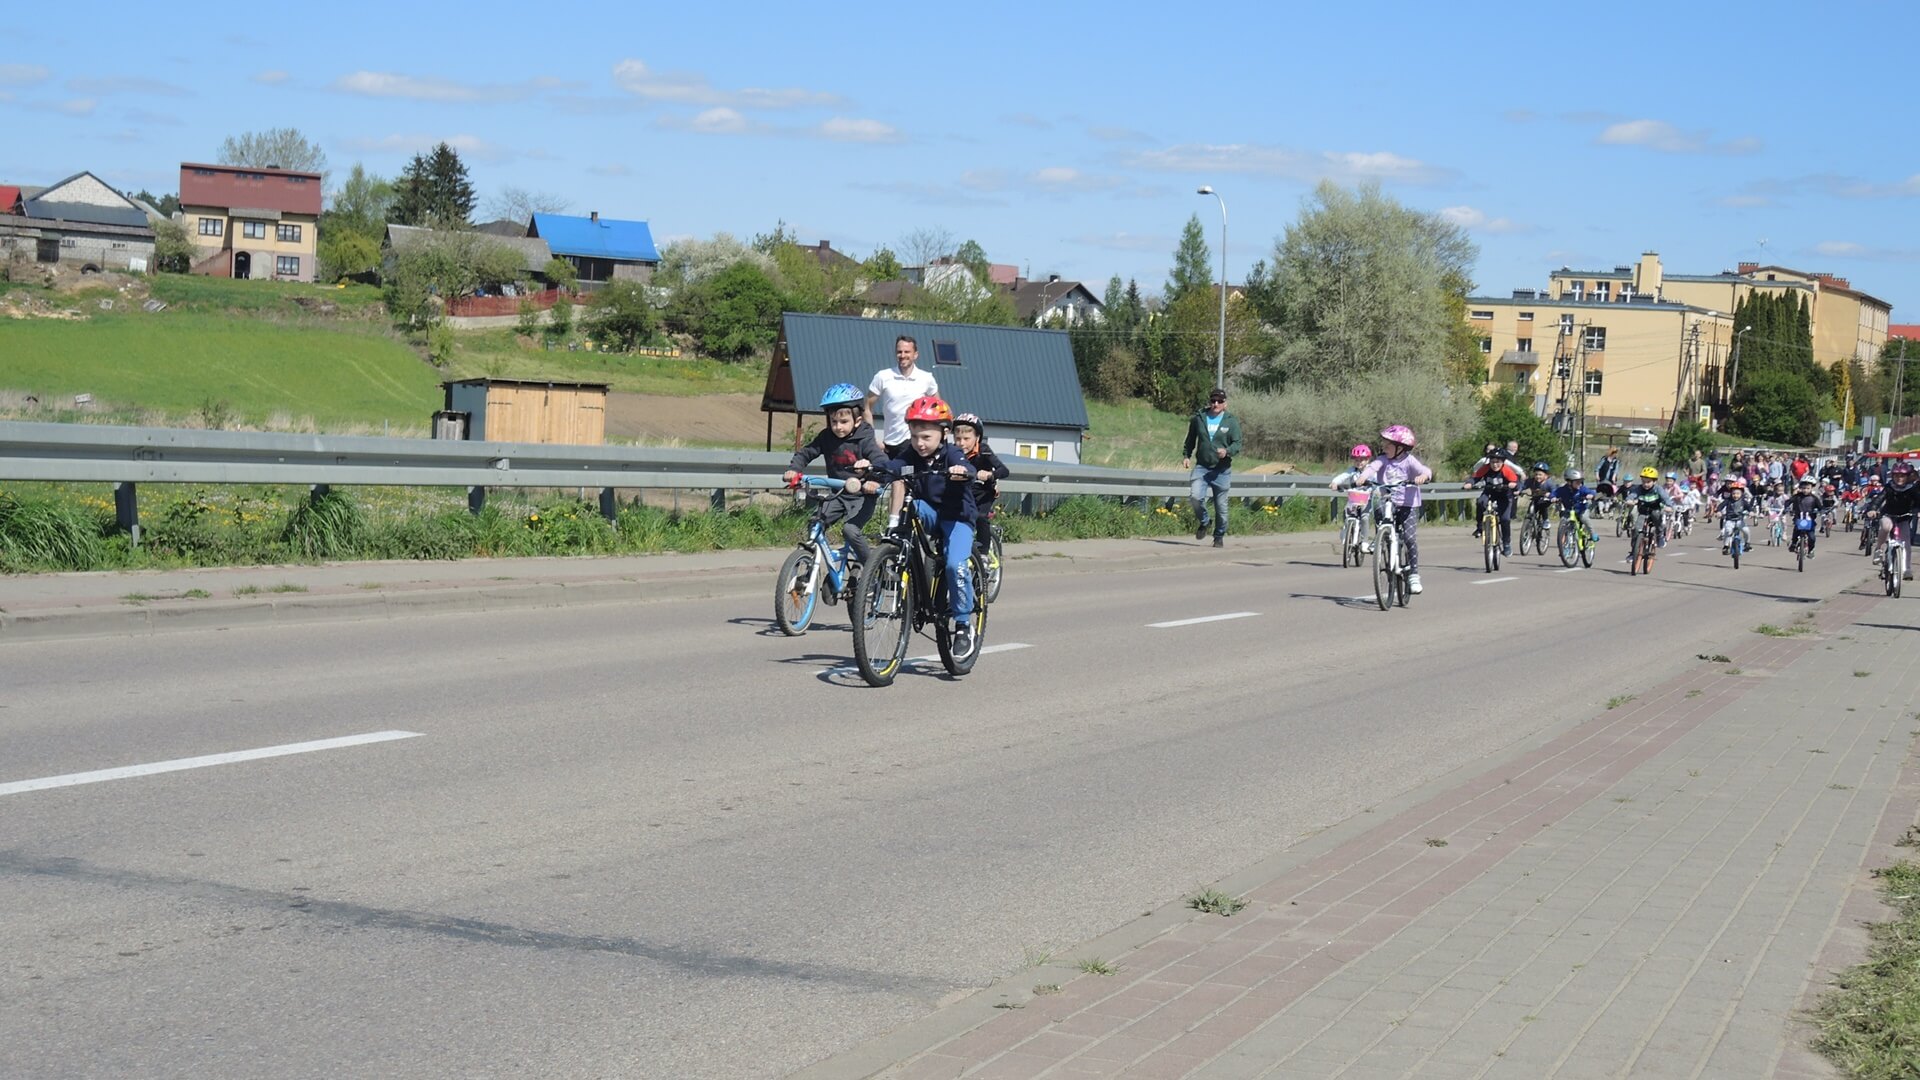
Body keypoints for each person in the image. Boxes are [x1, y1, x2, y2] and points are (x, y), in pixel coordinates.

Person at [878, 395, 981, 653]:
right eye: (914, 437)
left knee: (956, 565)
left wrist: (962, 472)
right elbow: (894, 466)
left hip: (957, 516)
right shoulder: (911, 453)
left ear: (943, 434)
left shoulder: (952, 453)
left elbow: (965, 466)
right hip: (930, 513)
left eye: (926, 437)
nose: (919, 443)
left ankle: (962, 625)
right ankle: (900, 558)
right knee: (910, 507)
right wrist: (872, 469)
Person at [783, 383, 885, 565]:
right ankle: (815, 565)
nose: (838, 427)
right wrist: (794, 470)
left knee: (850, 530)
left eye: (844, 422)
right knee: (815, 524)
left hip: (862, 496)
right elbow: (806, 453)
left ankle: (872, 569)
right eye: (833, 422)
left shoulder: (865, 438)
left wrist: (871, 471)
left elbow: (881, 461)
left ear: (858, 421)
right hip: (838, 494)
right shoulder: (826, 437)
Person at [865, 334, 940, 529]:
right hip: (890, 442)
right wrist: (873, 438)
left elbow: (938, 407)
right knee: (890, 484)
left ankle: (894, 526)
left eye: (907, 352)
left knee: (901, 481)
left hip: (914, 441)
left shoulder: (926, 379)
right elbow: (867, 407)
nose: (903, 355)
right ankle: (897, 528)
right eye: (899, 351)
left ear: (916, 354)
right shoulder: (883, 376)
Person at [1355, 424, 1433, 593]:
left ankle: (1413, 574)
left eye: (1388, 445)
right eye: (1384, 444)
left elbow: (1425, 470)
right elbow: (1372, 467)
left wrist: (1423, 477)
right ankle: (1381, 537)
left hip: (1408, 505)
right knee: (1378, 507)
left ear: (1400, 448)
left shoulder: (1409, 460)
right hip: (1389, 499)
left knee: (1409, 538)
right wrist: (1362, 477)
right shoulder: (1383, 459)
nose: (1384, 447)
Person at [1181, 387, 1242, 548]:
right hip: (1202, 467)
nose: (1215, 403)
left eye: (1219, 401)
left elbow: (1238, 444)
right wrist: (1186, 455)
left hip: (1222, 470)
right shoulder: (1199, 418)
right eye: (1213, 400)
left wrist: (1227, 451)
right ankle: (1205, 521)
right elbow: (1190, 439)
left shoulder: (1231, 421)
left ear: (1225, 404)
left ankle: (1219, 535)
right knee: (1195, 497)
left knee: (1221, 507)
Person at [951, 412, 1009, 554]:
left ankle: (983, 553)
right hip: (963, 492)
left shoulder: (984, 451)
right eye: (958, 439)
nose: (961, 443)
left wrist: (990, 474)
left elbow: (1004, 470)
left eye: (966, 438)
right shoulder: (952, 452)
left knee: (980, 517)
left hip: (983, 492)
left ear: (977, 438)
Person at [1466, 447, 1523, 555]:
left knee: (1505, 519)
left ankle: (1506, 544)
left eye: (1498, 462)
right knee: (1480, 502)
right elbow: (1475, 477)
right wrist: (1469, 483)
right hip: (1489, 492)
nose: (1495, 465)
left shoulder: (1506, 470)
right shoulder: (1486, 468)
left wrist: (1514, 486)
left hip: (1504, 495)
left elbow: (1516, 482)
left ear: (1502, 462)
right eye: (1492, 462)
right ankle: (1480, 527)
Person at [1329, 444, 1376, 554]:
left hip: (1367, 498)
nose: (1359, 462)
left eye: (1362, 460)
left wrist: (1376, 487)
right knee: (1347, 512)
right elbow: (1343, 476)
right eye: (1356, 460)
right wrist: (1335, 482)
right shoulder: (1352, 470)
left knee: (1364, 517)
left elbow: (1378, 480)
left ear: (1368, 460)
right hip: (1354, 498)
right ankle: (1346, 530)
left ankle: (1364, 542)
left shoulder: (1372, 471)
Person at [1876, 462, 1920, 578]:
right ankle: (1879, 550)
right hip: (1888, 515)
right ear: (1892, 476)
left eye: (1902, 476)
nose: (1899, 479)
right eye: (1896, 476)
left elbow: (1918, 502)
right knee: (1886, 527)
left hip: (1904, 517)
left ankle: (1907, 569)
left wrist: (1917, 511)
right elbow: (1879, 499)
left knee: (1906, 542)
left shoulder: (1912, 489)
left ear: (1907, 477)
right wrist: (1872, 509)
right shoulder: (1889, 487)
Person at [1624, 466, 1673, 554]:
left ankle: (1659, 536)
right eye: (1643, 482)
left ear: (1654, 481)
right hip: (1643, 511)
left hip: (1655, 510)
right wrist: (1629, 500)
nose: (1645, 484)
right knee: (1636, 530)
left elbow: (1666, 498)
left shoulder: (1658, 489)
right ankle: (1633, 552)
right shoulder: (1639, 489)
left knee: (1658, 519)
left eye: (1648, 482)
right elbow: (1633, 494)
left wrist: (1669, 506)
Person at [1552, 468, 1597, 550]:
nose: (1579, 484)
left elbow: (1591, 492)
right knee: (1563, 521)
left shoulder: (1582, 489)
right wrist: (1553, 497)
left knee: (1584, 518)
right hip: (1569, 511)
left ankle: (1592, 533)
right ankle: (1563, 544)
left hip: (1581, 510)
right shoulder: (1563, 490)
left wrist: (1591, 495)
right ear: (1569, 482)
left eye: (1580, 482)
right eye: (1577, 482)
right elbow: (1554, 493)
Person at [1786, 477, 1823, 558]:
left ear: (1811, 488)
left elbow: (1820, 507)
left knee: (1811, 537)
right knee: (1796, 531)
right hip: (1799, 518)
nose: (1805, 490)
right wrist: (1786, 507)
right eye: (1803, 488)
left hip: (1810, 520)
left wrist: (1822, 511)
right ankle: (1794, 543)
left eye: (1807, 488)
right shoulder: (1797, 496)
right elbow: (1788, 502)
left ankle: (1811, 550)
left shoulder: (1814, 498)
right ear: (1800, 488)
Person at [1717, 478, 1755, 555]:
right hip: (1729, 520)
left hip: (1739, 520)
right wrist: (1718, 512)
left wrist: (1751, 512)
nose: (1735, 495)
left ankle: (1747, 544)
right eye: (1734, 493)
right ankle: (1726, 546)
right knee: (1728, 531)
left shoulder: (1743, 501)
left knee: (1746, 531)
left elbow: (1748, 507)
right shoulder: (1728, 500)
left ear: (1741, 494)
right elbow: (1721, 506)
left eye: (1738, 493)